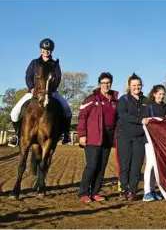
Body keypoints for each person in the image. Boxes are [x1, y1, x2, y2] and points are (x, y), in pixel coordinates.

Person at [8, 38, 72, 147]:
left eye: (48, 50)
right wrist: (32, 88)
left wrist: (50, 90)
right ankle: (17, 135)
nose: (46, 52)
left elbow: (57, 78)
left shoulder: (54, 64)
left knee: (67, 109)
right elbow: (28, 76)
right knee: (14, 112)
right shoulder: (34, 63)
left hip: (51, 92)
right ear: (40, 50)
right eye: (44, 50)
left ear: (51, 51)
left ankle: (66, 134)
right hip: (33, 92)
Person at [77, 72, 118, 203]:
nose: (106, 85)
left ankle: (95, 192)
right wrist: (82, 135)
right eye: (103, 83)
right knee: (92, 165)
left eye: (108, 82)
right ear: (99, 84)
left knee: (102, 166)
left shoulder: (114, 100)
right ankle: (83, 193)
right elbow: (82, 116)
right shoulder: (91, 99)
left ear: (111, 83)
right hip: (93, 136)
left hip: (108, 136)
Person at [116, 73, 150, 201]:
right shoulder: (124, 99)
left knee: (136, 165)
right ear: (129, 87)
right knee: (125, 165)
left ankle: (132, 190)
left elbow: (151, 116)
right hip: (125, 137)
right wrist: (139, 120)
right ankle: (123, 190)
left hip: (140, 138)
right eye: (134, 85)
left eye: (139, 85)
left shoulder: (146, 101)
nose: (137, 87)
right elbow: (122, 115)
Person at [142, 85, 166, 202]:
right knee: (150, 164)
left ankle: (152, 190)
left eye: (163, 94)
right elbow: (145, 122)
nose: (161, 96)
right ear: (154, 94)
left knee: (156, 165)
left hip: (160, 141)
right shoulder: (149, 107)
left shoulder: (165, 107)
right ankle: (146, 191)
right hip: (149, 140)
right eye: (159, 94)